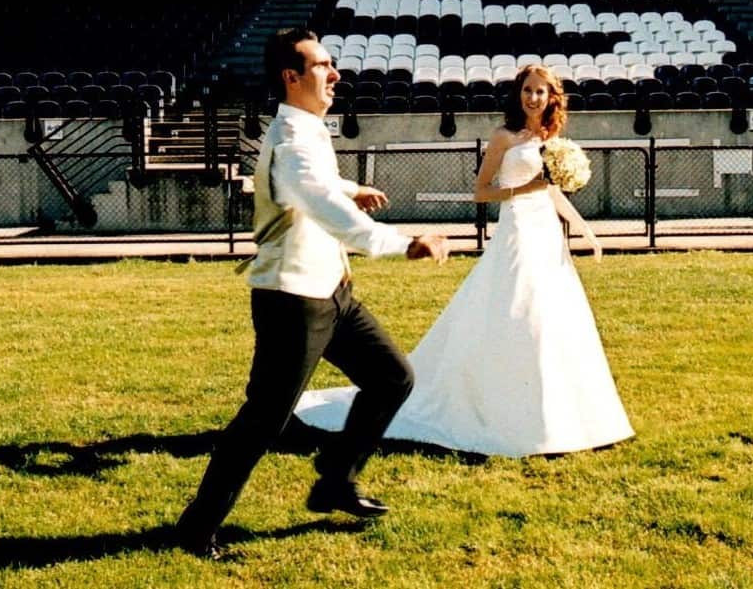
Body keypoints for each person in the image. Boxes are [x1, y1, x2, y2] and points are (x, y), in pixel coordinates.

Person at [175, 28, 449, 559]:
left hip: (332, 291)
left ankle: (335, 482)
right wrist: (402, 244)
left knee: (393, 377)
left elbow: (319, 185)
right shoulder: (295, 140)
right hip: (293, 300)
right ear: (291, 77)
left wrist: (352, 188)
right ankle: (197, 528)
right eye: (323, 65)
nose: (335, 73)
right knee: (263, 421)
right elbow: (319, 199)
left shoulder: (303, 131)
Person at [295, 64, 634, 457]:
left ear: (552, 98)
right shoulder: (504, 136)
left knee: (555, 316)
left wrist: (585, 230)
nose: (533, 98)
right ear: (518, 93)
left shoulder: (550, 136)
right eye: (527, 90)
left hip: (547, 234)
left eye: (541, 92)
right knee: (516, 310)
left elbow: (552, 193)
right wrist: (528, 186)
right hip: (518, 231)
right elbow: (482, 192)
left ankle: (561, 415)